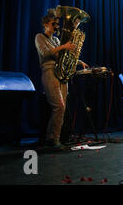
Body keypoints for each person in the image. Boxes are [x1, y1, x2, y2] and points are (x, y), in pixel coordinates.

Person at [35, 8, 88, 149]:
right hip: (49, 71)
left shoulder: (57, 40)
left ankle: (51, 138)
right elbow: (45, 53)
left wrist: (78, 61)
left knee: (61, 109)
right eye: (54, 24)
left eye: (57, 24)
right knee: (59, 106)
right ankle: (54, 139)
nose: (56, 26)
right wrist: (64, 46)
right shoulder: (40, 37)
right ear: (46, 24)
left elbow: (64, 55)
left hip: (61, 72)